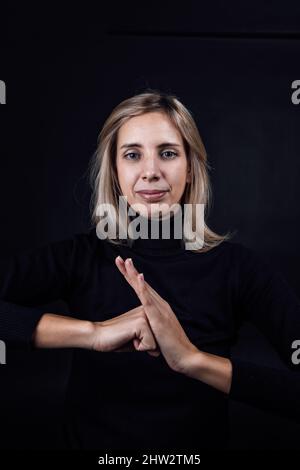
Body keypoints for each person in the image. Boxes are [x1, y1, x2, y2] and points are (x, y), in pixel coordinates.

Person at [0, 90, 299, 450]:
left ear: (191, 169)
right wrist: (92, 333)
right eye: (132, 155)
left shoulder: (239, 269)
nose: (151, 172)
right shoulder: (79, 258)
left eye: (168, 153)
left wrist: (192, 359)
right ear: (115, 171)